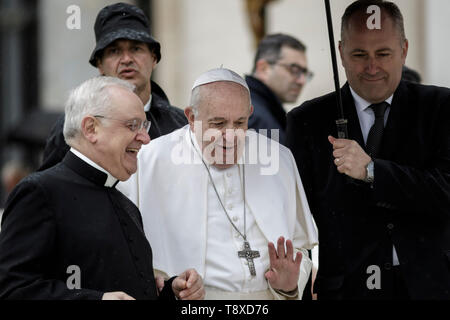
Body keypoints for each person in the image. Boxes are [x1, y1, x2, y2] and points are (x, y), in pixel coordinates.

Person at [286, 0, 450, 300]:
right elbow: (295, 213)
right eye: (359, 54)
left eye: (383, 54)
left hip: (431, 285)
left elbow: (445, 190)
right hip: (346, 289)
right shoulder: (306, 121)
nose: (372, 67)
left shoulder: (441, 108)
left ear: (404, 50)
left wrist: (372, 171)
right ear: (341, 53)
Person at [118, 68, 318, 300]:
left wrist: (289, 285)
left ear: (250, 114)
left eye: (240, 122)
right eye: (218, 123)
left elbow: (301, 249)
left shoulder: (278, 158)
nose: (231, 136)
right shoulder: (149, 160)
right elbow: (130, 255)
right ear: (191, 117)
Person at [0, 76, 204, 300]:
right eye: (133, 125)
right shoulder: (40, 192)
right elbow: (13, 290)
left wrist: (170, 291)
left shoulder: (125, 203)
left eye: (144, 126)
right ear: (91, 128)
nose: (146, 138)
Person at [39, 2, 187, 171]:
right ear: (100, 65)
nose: (126, 59)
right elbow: (52, 188)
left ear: (154, 58)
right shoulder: (75, 126)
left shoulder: (181, 126)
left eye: (136, 49)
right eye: (114, 51)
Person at [246, 33, 313, 145]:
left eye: (305, 73)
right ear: (264, 69)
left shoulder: (265, 111)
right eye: (294, 70)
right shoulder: (253, 115)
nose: (301, 81)